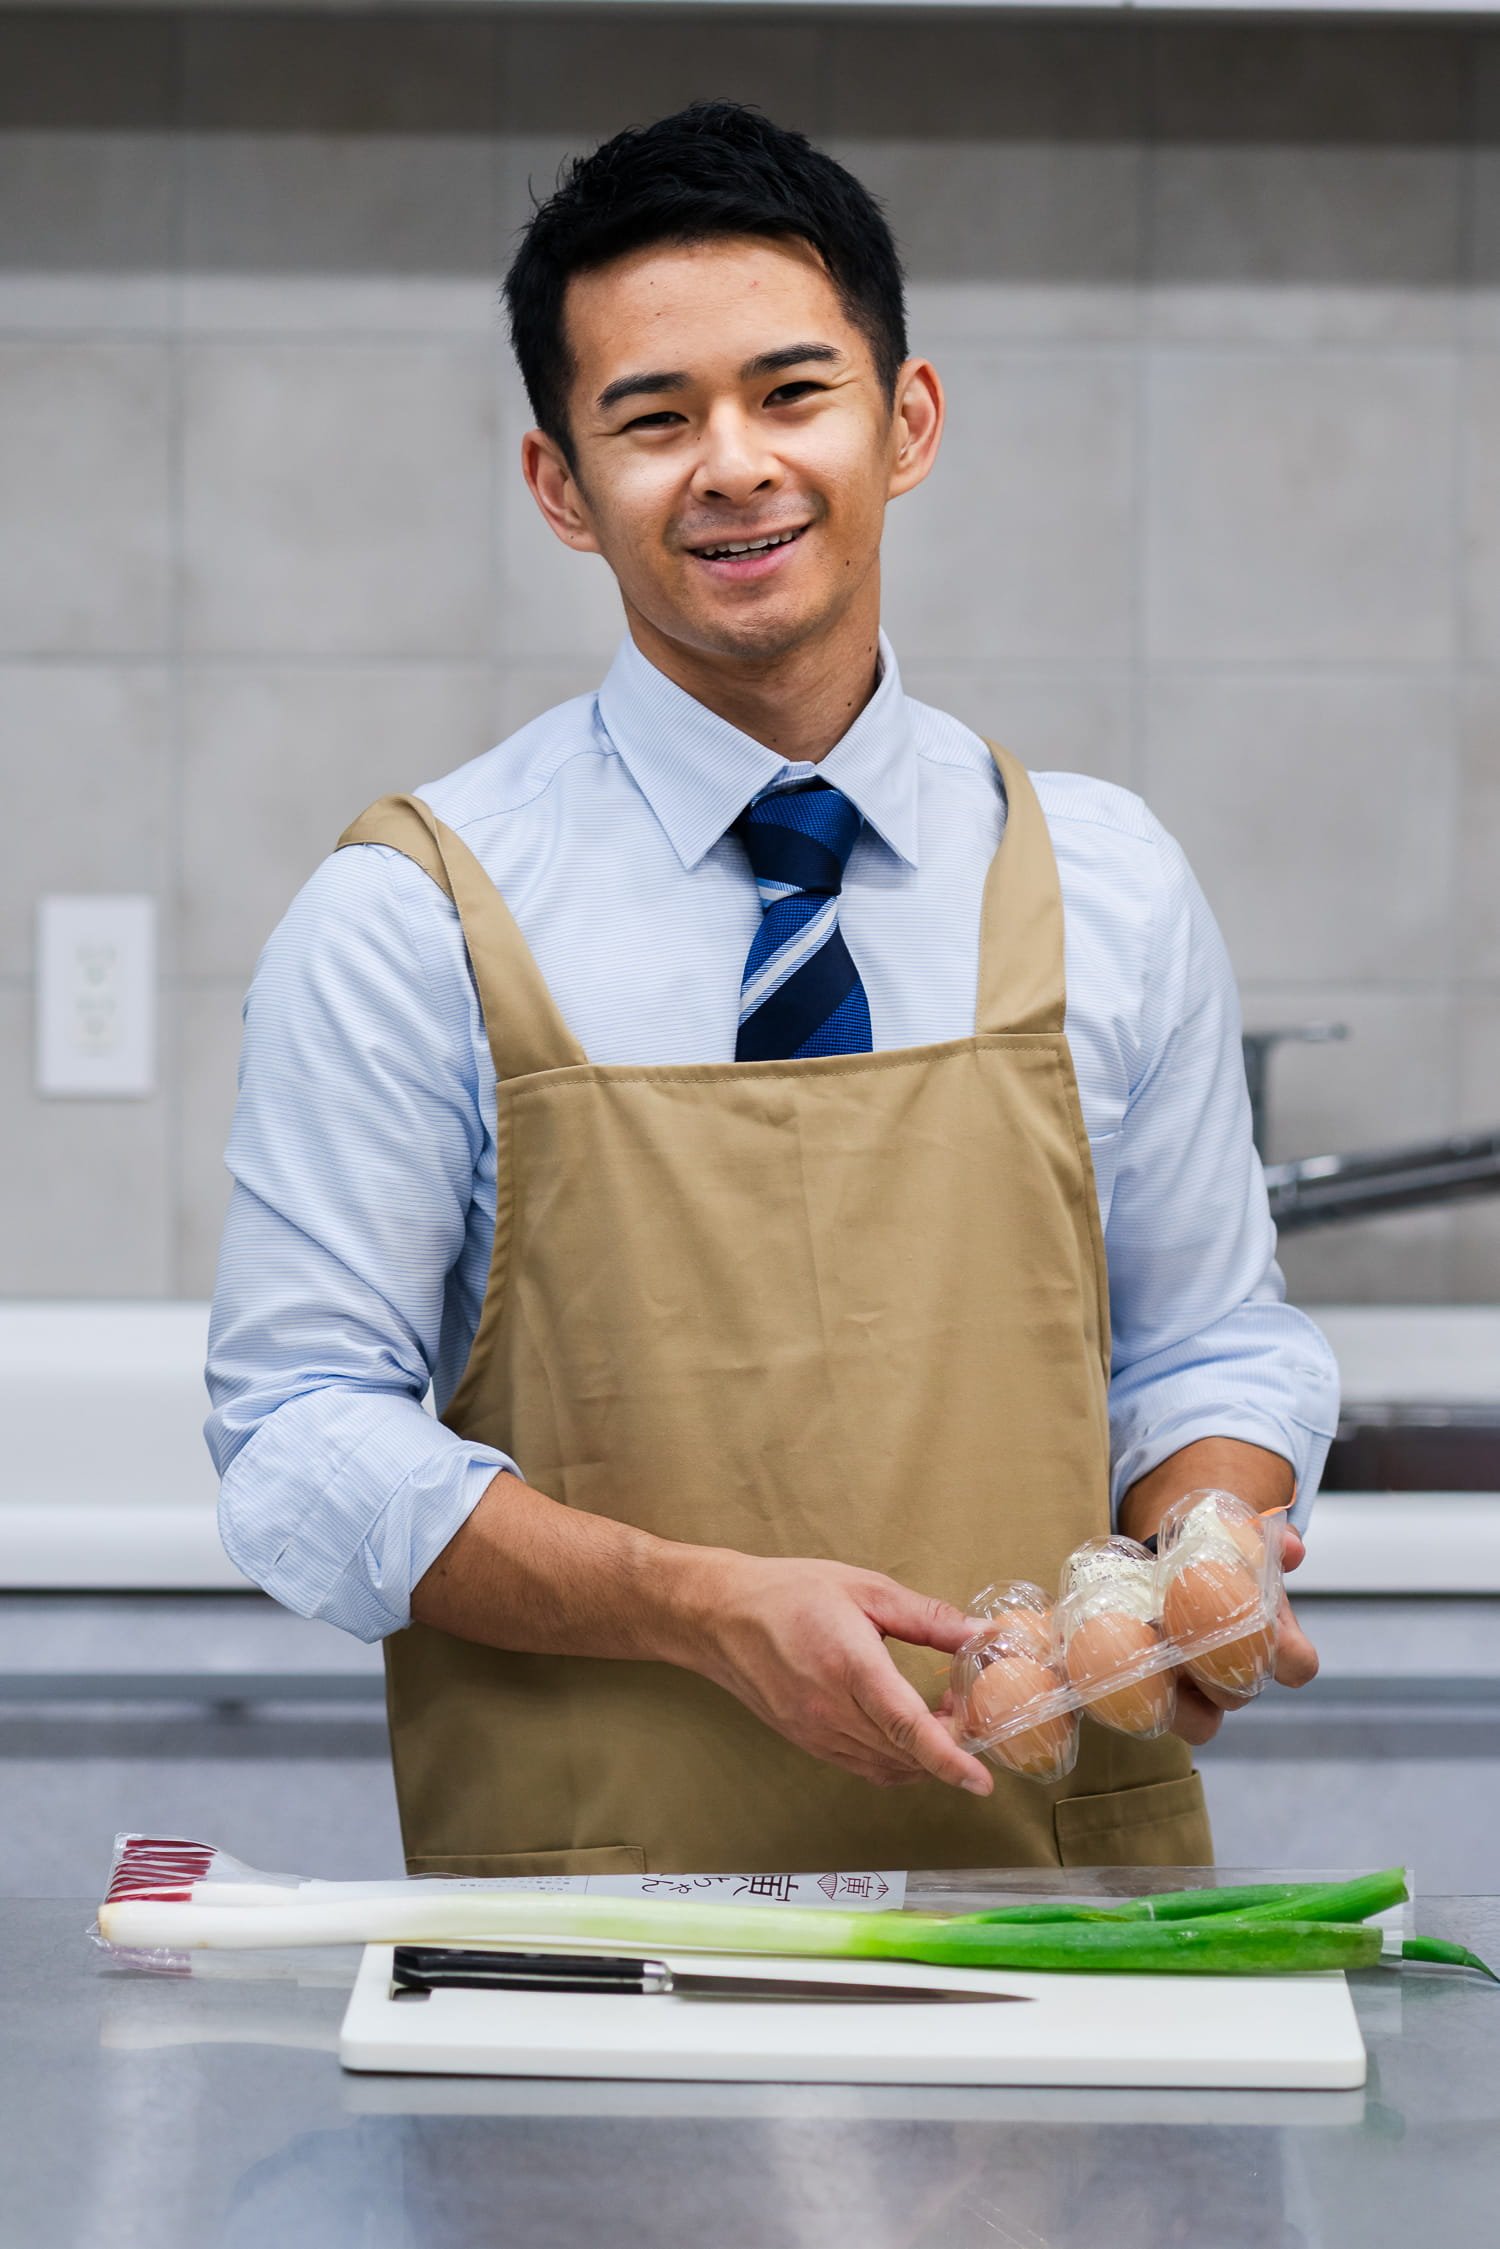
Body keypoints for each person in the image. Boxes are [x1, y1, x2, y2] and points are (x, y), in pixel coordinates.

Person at [206, 102, 1337, 1877]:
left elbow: (1209, 1338)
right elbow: (296, 1443)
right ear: (561, 490)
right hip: (588, 1940)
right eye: (654, 420)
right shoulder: (408, 916)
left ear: (907, 424)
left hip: (1060, 1929)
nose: (733, 464)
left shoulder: (1110, 883)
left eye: (792, 394)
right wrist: (693, 1604)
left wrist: (1207, 1528)